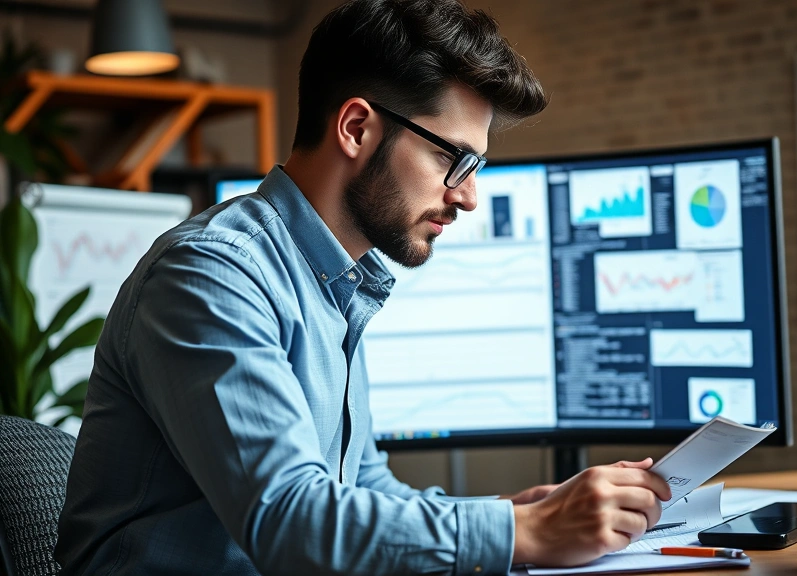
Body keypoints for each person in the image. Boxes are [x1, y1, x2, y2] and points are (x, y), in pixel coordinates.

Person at [55, 1, 671, 574]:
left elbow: (363, 492)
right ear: (355, 127)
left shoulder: (333, 282)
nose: (468, 196)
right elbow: (288, 518)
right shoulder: (213, 274)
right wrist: (520, 531)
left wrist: (518, 510)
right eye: (452, 159)